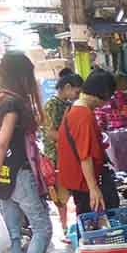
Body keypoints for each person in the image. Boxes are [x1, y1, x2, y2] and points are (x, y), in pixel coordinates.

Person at [0, 51, 57, 253]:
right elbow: (2, 142)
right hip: (18, 173)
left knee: (14, 232)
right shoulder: (13, 103)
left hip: (1, 176)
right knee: (43, 227)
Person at [58, 69, 121, 215]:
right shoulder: (83, 115)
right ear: (103, 94)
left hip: (78, 181)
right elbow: (85, 156)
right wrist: (94, 189)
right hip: (84, 183)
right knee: (96, 222)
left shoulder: (73, 108)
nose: (106, 103)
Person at [41, 71, 84, 241]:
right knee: (60, 196)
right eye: (76, 91)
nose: (77, 95)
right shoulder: (52, 104)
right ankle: (65, 229)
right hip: (56, 156)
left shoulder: (64, 104)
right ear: (67, 88)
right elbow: (50, 132)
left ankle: (71, 227)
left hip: (65, 154)